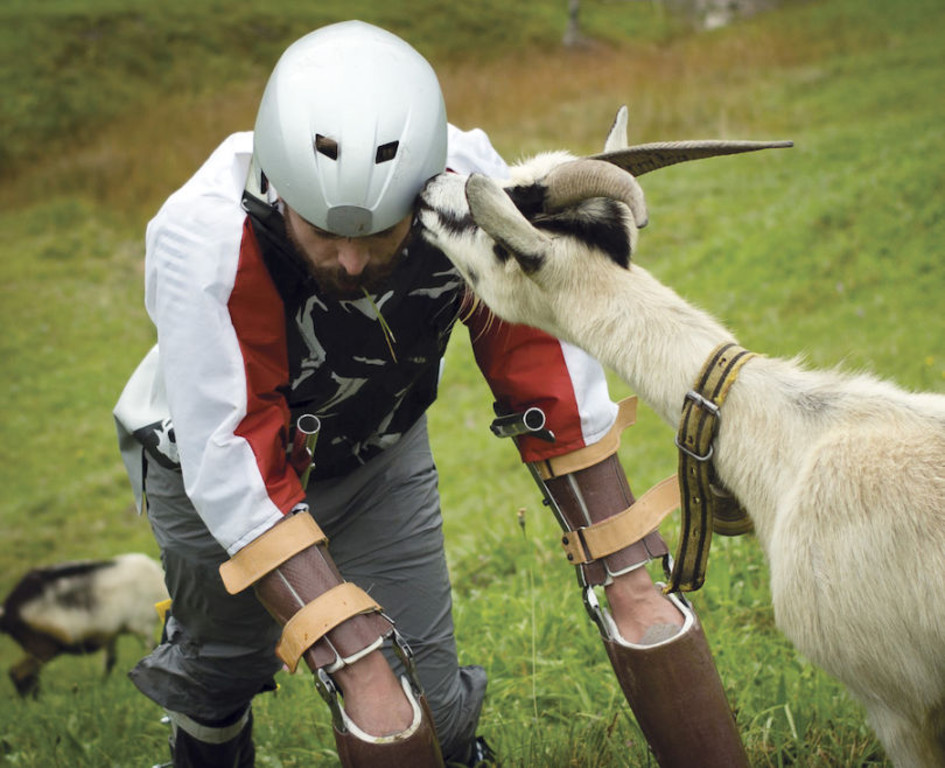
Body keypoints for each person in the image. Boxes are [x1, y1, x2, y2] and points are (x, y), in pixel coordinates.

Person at [114, 19, 747, 768]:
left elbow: (532, 346)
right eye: (323, 231)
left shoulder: (462, 185)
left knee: (421, 712)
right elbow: (232, 448)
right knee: (226, 672)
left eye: (378, 233)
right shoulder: (202, 236)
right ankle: (207, 743)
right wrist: (346, 646)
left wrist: (624, 570)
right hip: (205, 477)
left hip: (377, 458)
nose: (350, 260)